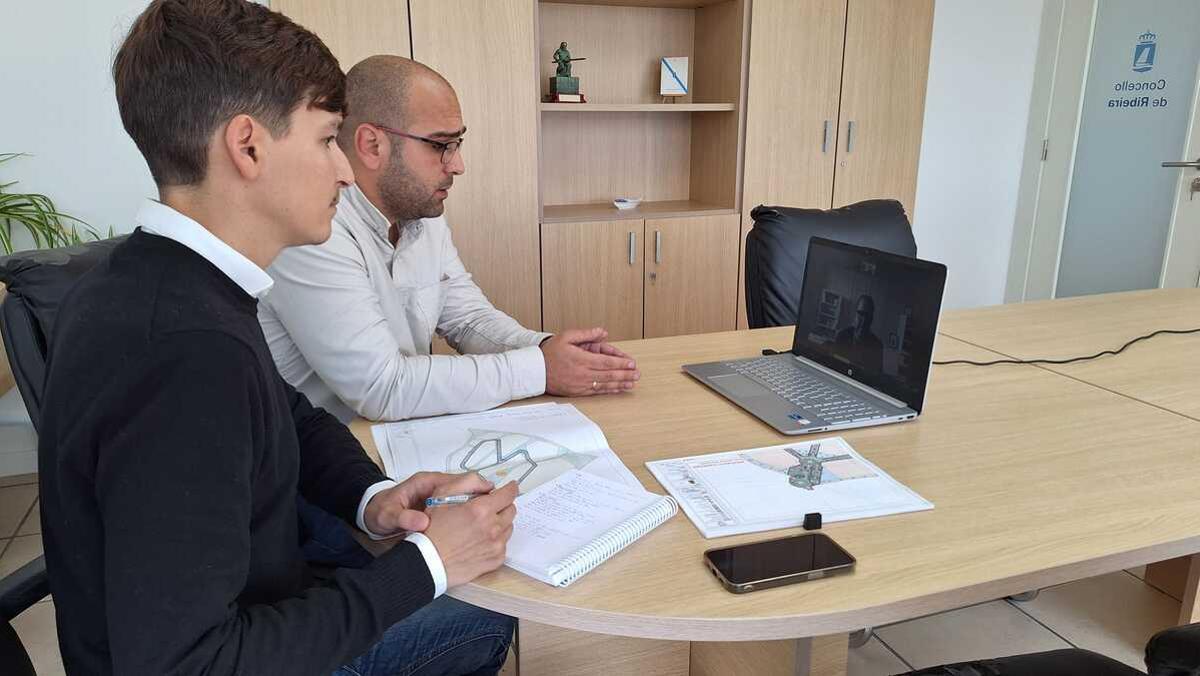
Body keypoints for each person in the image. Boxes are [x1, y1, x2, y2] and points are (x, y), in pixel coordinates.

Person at [39, 1, 516, 674]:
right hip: (234, 644)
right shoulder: (183, 352)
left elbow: (287, 410)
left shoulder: (169, 280)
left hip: (258, 591)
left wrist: (374, 498)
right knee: (483, 619)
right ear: (248, 145)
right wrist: (427, 565)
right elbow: (187, 664)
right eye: (327, 140)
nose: (346, 171)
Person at [258, 55, 640, 423]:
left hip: (403, 433)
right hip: (331, 462)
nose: (457, 165)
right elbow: (382, 386)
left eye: (458, 144)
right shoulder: (313, 228)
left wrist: (547, 349)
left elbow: (468, 320)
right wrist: (540, 369)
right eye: (441, 145)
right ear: (372, 145)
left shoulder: (419, 211)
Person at [835, 294, 884, 373]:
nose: (864, 320)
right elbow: (833, 364)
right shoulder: (841, 336)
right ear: (855, 314)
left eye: (867, 315)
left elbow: (876, 376)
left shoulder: (877, 346)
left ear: (871, 319)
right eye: (861, 313)